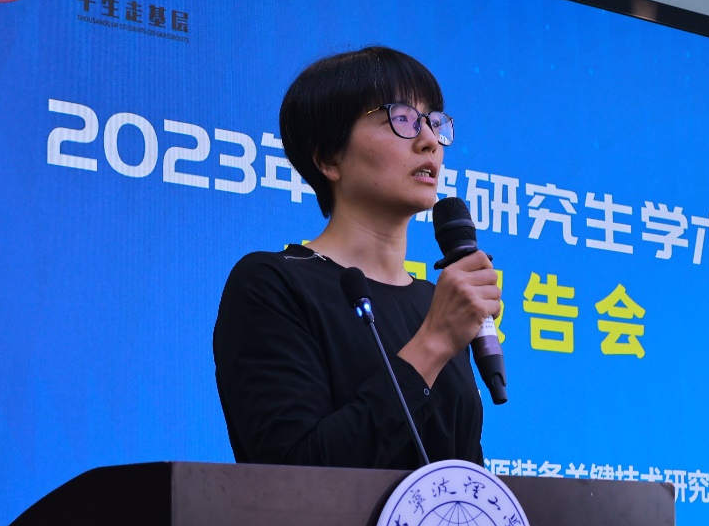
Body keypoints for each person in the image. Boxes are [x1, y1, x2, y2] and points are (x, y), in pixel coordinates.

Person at [213, 46, 499, 469]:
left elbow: (462, 471)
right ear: (329, 158)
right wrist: (435, 341)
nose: (429, 142)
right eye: (402, 118)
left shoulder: (434, 302)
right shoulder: (271, 283)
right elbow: (294, 469)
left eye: (433, 122)